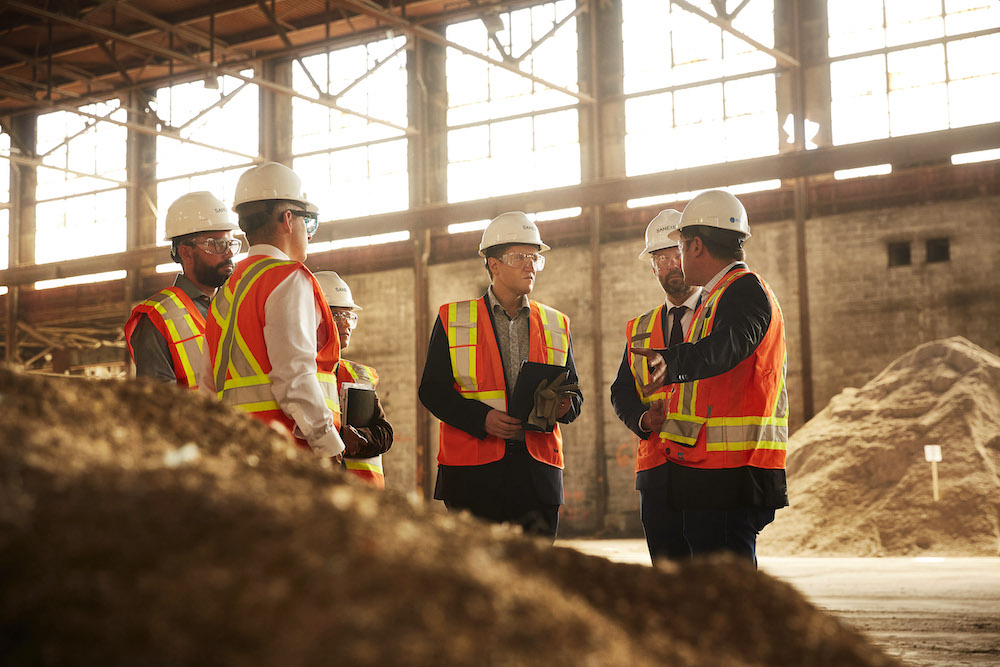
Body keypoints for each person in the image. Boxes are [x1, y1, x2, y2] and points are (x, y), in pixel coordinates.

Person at [628, 190, 788, 566]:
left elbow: (730, 346)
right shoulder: (721, 296)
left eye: (680, 246)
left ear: (696, 245)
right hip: (714, 474)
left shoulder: (744, 290)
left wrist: (672, 361)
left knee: (728, 598)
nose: (678, 259)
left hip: (732, 475)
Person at [419, 211, 583, 541]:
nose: (530, 266)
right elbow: (432, 390)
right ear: (494, 265)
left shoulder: (555, 324)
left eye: (535, 258)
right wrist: (482, 418)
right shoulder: (454, 318)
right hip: (472, 476)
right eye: (521, 257)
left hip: (537, 476)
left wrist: (566, 407)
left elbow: (575, 396)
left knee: (536, 578)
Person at [202, 162, 346, 460]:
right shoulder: (289, 279)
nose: (308, 232)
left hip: (235, 450)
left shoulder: (228, 289)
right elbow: (295, 378)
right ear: (288, 219)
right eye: (309, 222)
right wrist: (328, 446)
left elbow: (208, 384)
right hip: (286, 453)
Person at [610, 209, 703, 562]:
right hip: (657, 471)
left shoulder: (717, 315)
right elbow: (621, 391)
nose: (671, 264)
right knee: (667, 581)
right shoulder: (640, 328)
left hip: (708, 467)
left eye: (677, 253)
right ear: (653, 268)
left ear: (694, 252)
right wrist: (642, 420)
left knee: (713, 583)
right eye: (661, 258)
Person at [125, 191, 240, 389]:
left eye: (230, 243)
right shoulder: (157, 317)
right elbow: (159, 403)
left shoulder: (237, 304)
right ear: (185, 252)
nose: (229, 252)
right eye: (218, 244)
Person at [314, 271, 393, 488]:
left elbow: (385, 434)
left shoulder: (358, 375)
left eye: (350, 316)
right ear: (315, 317)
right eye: (338, 316)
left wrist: (359, 438)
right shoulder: (297, 372)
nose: (346, 324)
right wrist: (337, 437)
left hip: (362, 496)